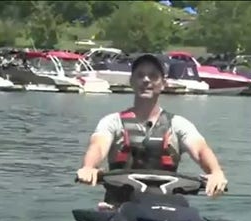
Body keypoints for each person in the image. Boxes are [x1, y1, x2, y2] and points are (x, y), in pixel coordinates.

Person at [75, 53, 228, 208]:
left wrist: (215, 172)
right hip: (118, 211)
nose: (146, 80)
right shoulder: (112, 122)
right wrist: (89, 167)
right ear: (131, 82)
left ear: (163, 84)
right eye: (140, 75)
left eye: (153, 76)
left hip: (166, 213)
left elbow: (200, 150)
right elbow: (98, 147)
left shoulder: (179, 124)